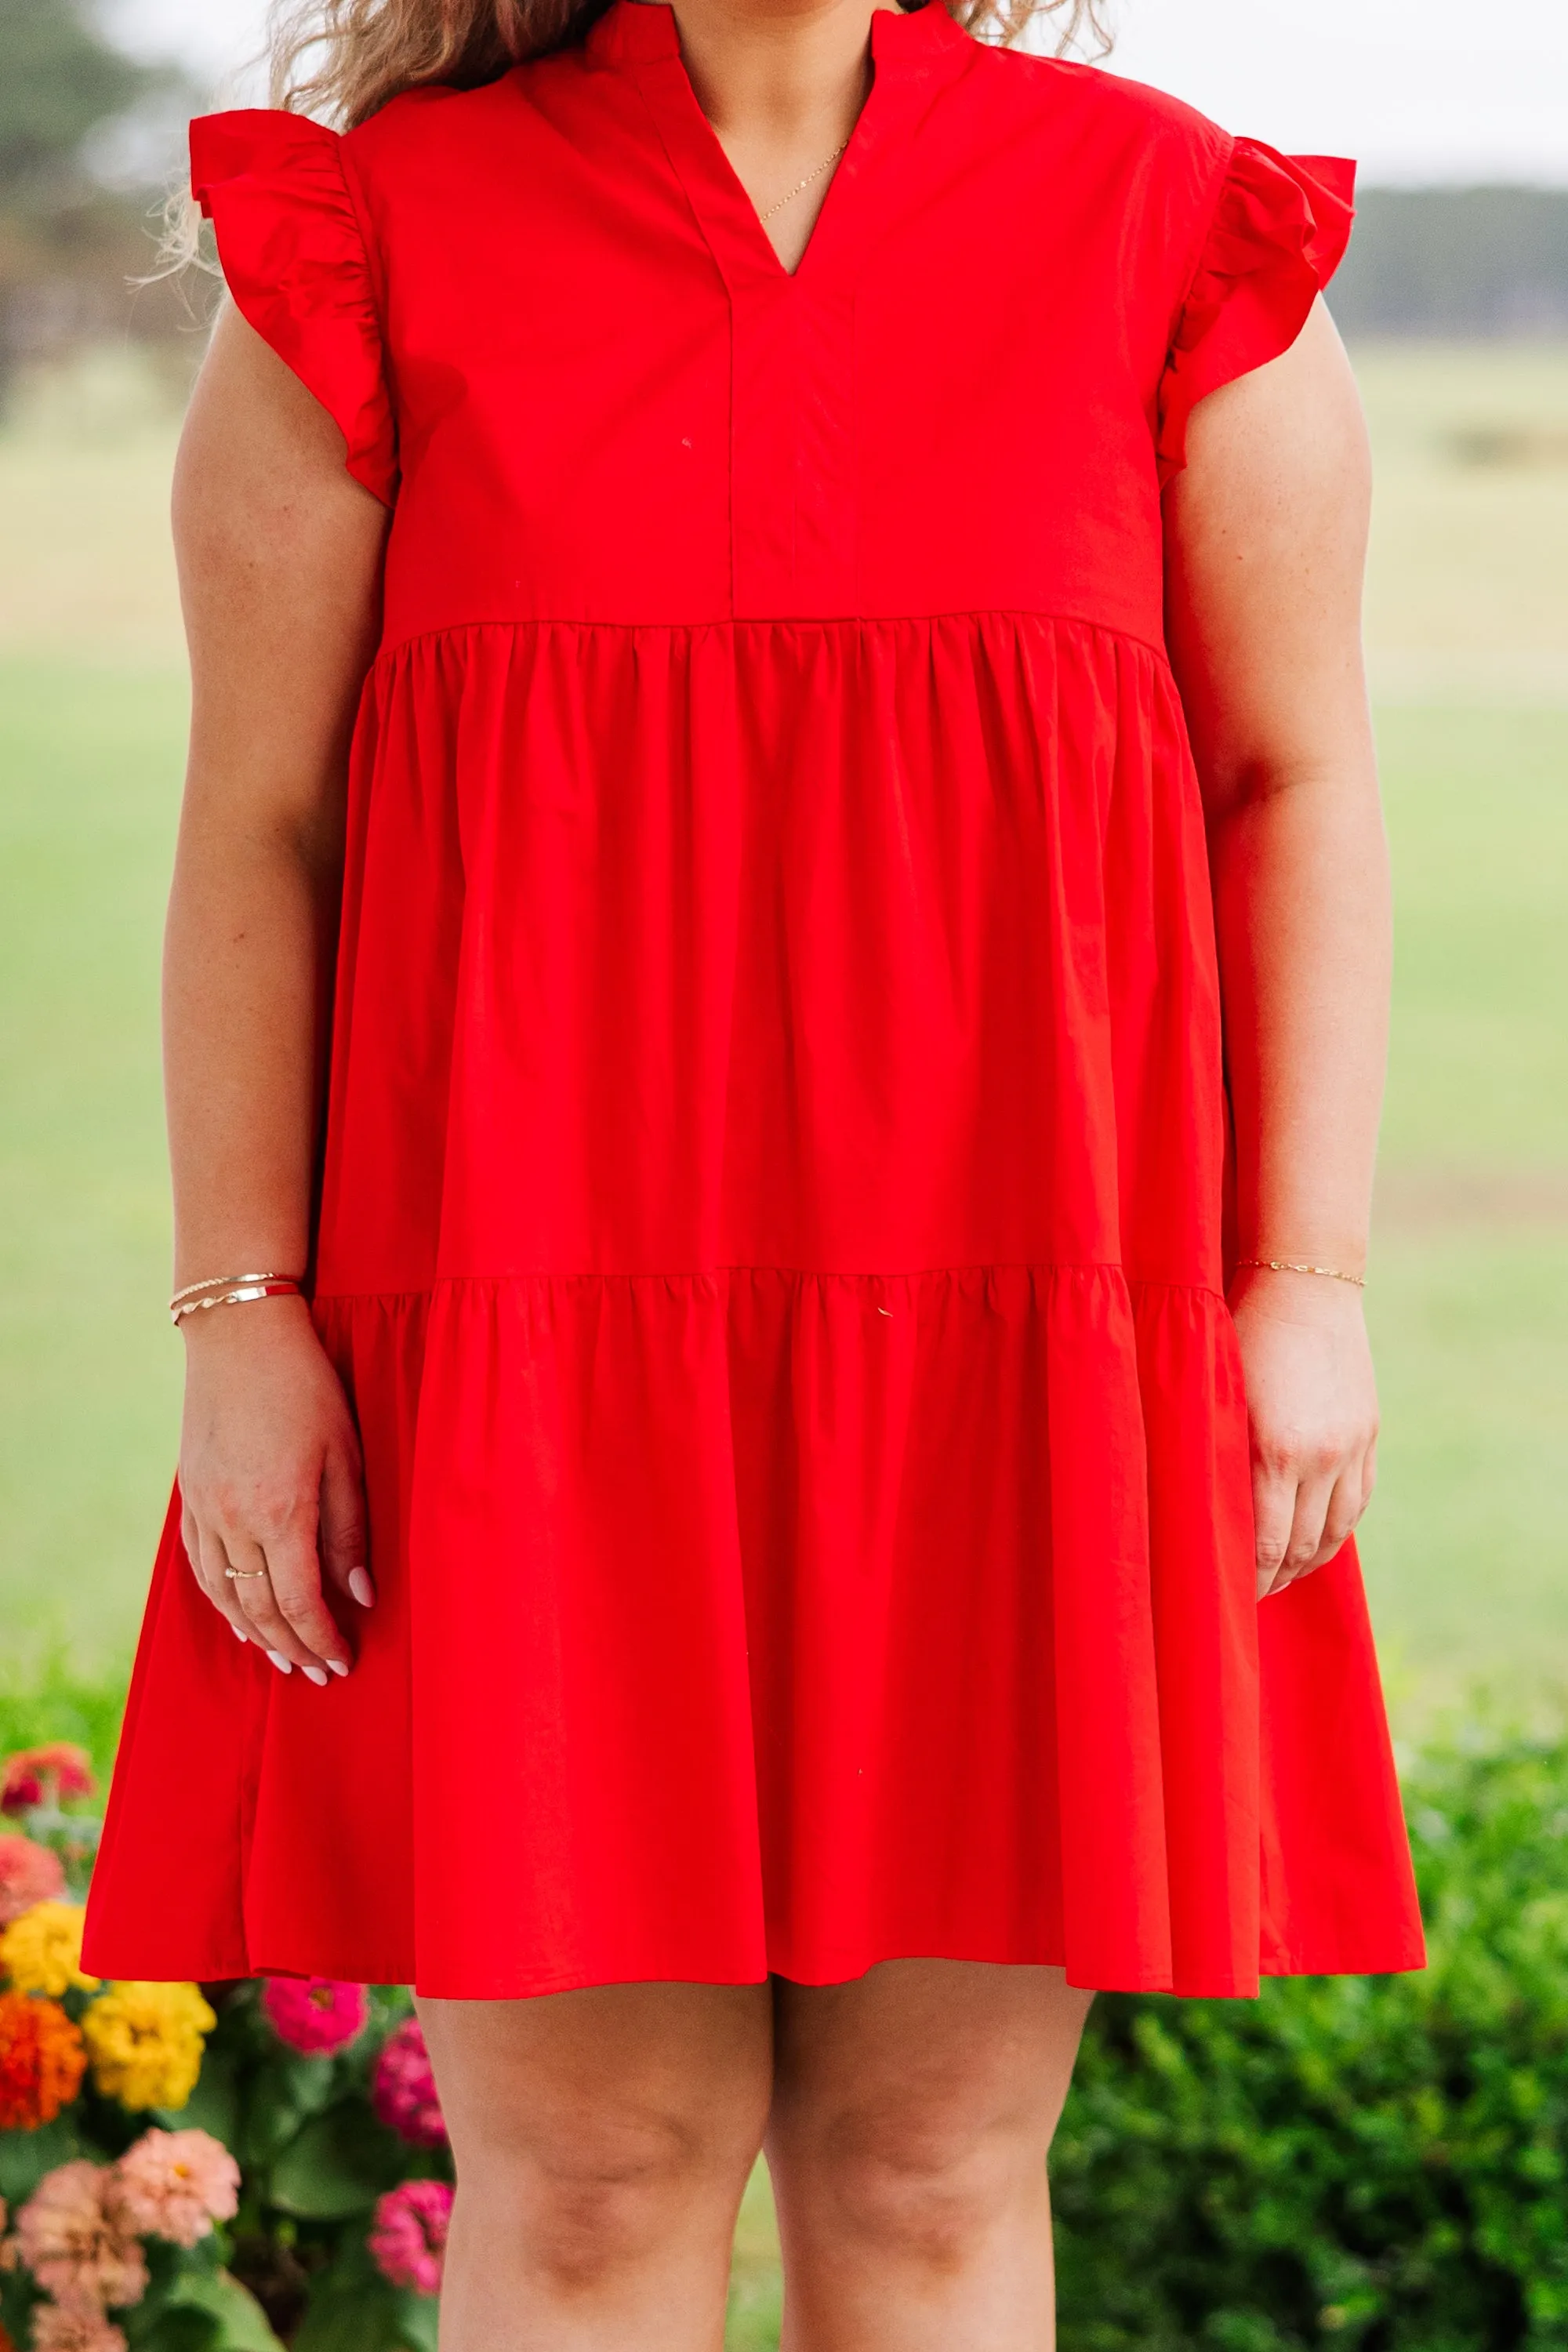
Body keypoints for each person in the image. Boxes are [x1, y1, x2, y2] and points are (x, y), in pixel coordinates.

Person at [83, 0, 1426, 2339]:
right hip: (523, 1354)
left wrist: (1300, 1274)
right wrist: (242, 1313)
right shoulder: (380, 236)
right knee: (592, 2182)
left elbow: (1292, 784)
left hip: (1016, 1350)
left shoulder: (1166, 226)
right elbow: (261, 830)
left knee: (926, 2175)